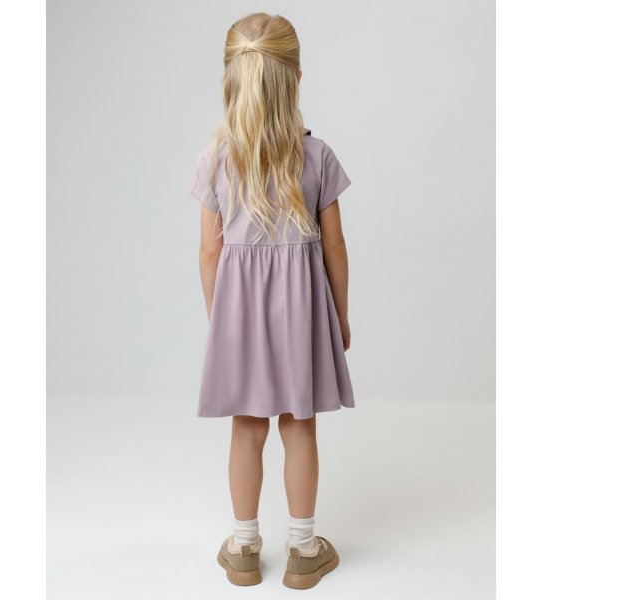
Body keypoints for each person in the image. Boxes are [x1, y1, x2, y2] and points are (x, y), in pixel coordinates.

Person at [190, 12, 355, 590]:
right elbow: (334, 245)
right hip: (302, 314)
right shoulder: (317, 157)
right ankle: (303, 550)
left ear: (230, 79)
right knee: (299, 424)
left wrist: (220, 320)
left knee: (247, 425)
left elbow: (210, 251)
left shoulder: (215, 159)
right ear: (296, 78)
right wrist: (340, 315)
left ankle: (243, 547)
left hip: (238, 316)